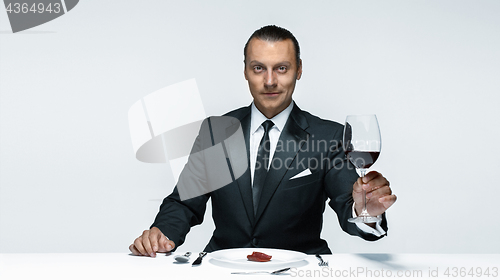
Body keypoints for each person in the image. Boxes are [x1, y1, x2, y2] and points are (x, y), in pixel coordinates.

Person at [129, 25, 396, 257]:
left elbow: (349, 206)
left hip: (299, 272)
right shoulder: (215, 132)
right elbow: (184, 203)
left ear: (299, 70)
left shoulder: (329, 137)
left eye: (281, 68)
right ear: (245, 71)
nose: (270, 81)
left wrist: (368, 212)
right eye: (259, 68)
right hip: (224, 269)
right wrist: (160, 234)